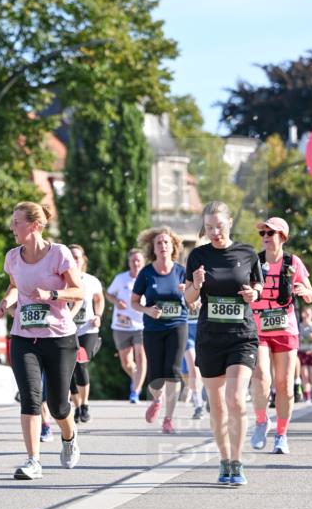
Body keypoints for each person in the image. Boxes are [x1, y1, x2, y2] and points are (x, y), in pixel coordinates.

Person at [0, 202, 83, 481]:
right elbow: (14, 286)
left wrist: (52, 296)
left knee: (58, 405)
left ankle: (69, 437)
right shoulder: (12, 257)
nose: (12, 227)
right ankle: (33, 460)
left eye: (17, 222)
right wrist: (3, 304)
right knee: (31, 399)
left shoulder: (59, 254)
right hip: (23, 337)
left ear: (34, 225)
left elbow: (78, 291)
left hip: (59, 338)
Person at [184, 201, 263, 486]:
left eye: (219, 226)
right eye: (209, 227)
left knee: (236, 399)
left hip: (242, 336)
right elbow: (190, 300)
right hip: (210, 339)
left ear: (229, 222)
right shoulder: (198, 256)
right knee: (216, 406)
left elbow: (258, 285)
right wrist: (195, 284)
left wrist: (253, 294)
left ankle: (238, 461)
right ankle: (224, 459)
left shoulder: (247, 253)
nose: (215, 232)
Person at [250, 216, 312, 455]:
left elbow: (311, 293)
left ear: (282, 237)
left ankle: (281, 434)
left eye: (271, 233)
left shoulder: (292, 262)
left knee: (285, 387)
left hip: (286, 330)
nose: (266, 237)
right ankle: (260, 421)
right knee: (261, 377)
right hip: (258, 329)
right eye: (263, 233)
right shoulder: (254, 262)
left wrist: (304, 291)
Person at [131, 228, 188, 434]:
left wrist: (192, 296)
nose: (163, 246)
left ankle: (169, 419)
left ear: (173, 247)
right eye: (158, 243)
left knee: (172, 371)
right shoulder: (146, 273)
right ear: (153, 248)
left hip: (177, 325)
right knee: (156, 375)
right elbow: (134, 302)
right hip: (154, 328)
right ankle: (157, 399)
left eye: (166, 242)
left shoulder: (181, 271)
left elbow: (194, 298)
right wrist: (147, 310)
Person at [68, 244, 104, 423]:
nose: (74, 260)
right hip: (67, 330)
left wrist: (98, 315)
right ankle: (76, 405)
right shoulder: (60, 280)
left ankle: (85, 405)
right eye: (71, 256)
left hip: (88, 328)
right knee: (68, 369)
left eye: (77, 257)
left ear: (83, 260)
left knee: (80, 363)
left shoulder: (91, 281)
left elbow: (99, 299)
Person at [106, 248, 146, 403]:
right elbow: (108, 294)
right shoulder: (120, 279)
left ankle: (135, 392)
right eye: (133, 260)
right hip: (121, 325)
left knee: (141, 356)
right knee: (126, 362)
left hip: (141, 325)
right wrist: (116, 301)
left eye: (138, 260)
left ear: (143, 263)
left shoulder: (148, 279)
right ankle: (136, 377)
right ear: (129, 262)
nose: (136, 263)